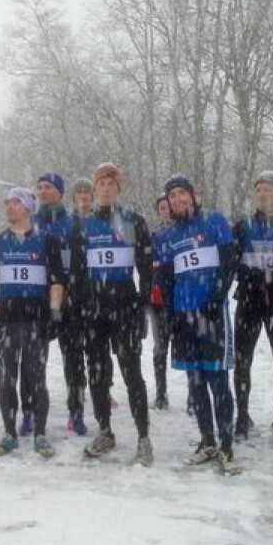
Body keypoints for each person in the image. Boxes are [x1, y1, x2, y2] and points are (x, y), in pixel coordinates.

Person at [71, 162, 154, 466]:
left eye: (110, 183)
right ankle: (105, 430)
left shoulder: (134, 221)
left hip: (124, 308)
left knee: (132, 372)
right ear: (94, 190)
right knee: (97, 373)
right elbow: (77, 273)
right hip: (94, 311)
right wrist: (79, 310)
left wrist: (142, 306)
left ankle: (144, 436)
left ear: (119, 188)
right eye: (100, 184)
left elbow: (146, 270)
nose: (105, 189)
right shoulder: (83, 224)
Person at [156, 175, 239, 472]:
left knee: (218, 381)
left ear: (193, 195)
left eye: (182, 194)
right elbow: (165, 279)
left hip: (212, 316)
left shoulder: (214, 221)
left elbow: (229, 262)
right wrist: (171, 314)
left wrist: (216, 298)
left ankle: (227, 446)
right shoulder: (167, 236)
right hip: (184, 317)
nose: (178, 200)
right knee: (196, 384)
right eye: (172, 196)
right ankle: (207, 440)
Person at [0, 187, 65, 457]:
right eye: (6, 203)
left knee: (37, 378)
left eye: (15, 203)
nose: (9, 208)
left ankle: (40, 434)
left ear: (28, 207)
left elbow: (57, 279)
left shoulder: (46, 240)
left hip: (36, 320)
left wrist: (54, 313)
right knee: (7, 378)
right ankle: (9, 433)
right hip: (6, 320)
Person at [231, 171, 273, 441]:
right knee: (241, 361)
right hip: (248, 300)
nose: (263, 195)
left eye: (268, 190)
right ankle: (242, 416)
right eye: (259, 190)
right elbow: (229, 262)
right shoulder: (243, 226)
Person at [32, 171, 87, 435]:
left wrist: (77, 292)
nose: (43, 191)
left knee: (74, 359)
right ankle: (31, 410)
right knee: (34, 359)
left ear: (60, 192)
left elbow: (83, 262)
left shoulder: (74, 223)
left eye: (49, 187)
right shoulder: (30, 222)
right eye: (39, 187)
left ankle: (76, 411)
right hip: (38, 302)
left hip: (70, 302)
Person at [72, 177, 117, 411]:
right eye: (78, 194)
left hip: (103, 297)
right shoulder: (71, 223)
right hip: (77, 293)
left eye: (86, 193)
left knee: (101, 351)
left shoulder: (103, 219)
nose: (83, 197)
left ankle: (104, 389)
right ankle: (78, 394)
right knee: (76, 351)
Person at [148, 195, 174, 411]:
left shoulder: (187, 233)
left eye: (168, 207)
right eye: (162, 208)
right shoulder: (154, 237)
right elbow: (148, 266)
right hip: (158, 300)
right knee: (160, 348)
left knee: (187, 347)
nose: (166, 211)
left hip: (182, 299)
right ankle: (161, 393)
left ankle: (193, 396)